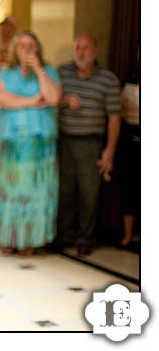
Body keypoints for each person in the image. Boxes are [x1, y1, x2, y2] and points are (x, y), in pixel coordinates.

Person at [0, 31, 62, 256]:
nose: (27, 50)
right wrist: (32, 101)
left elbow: (53, 98)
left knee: (37, 191)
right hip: (15, 144)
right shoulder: (6, 73)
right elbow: (3, 99)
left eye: (31, 45)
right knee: (12, 190)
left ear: (38, 49)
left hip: (40, 144)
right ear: (15, 49)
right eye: (22, 46)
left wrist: (39, 69)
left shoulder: (49, 71)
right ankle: (10, 238)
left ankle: (31, 239)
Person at [56, 34, 121, 256]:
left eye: (85, 48)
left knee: (88, 193)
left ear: (96, 51)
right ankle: (64, 235)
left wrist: (109, 150)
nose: (80, 52)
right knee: (65, 190)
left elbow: (114, 116)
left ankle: (85, 237)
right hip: (65, 139)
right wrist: (64, 101)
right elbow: (50, 99)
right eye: (77, 47)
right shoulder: (62, 73)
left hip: (91, 142)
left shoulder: (108, 79)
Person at [117, 71, 139, 250]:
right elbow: (121, 108)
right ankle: (128, 236)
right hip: (130, 138)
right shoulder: (131, 79)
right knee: (130, 188)